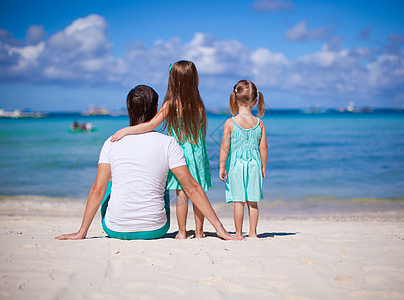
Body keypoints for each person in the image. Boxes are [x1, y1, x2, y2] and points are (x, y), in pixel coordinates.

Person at [55, 85, 233, 241]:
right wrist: (220, 228)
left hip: (115, 229)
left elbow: (97, 191)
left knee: (109, 180)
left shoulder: (111, 142)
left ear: (128, 110)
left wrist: (81, 232)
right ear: (156, 109)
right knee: (162, 180)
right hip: (155, 229)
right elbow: (192, 188)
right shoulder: (169, 142)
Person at [111, 61, 212, 239]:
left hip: (178, 153)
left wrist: (127, 130)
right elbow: (202, 132)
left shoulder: (170, 104)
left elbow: (150, 125)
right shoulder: (199, 104)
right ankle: (199, 232)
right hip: (198, 152)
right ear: (194, 80)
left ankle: (181, 232)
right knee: (197, 192)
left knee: (181, 194)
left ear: (173, 80)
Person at [219, 80, 268, 239]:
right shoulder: (259, 123)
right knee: (253, 202)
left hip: (236, 166)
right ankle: (253, 233)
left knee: (238, 201)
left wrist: (221, 166)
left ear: (235, 99)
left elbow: (225, 147)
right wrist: (263, 166)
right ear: (255, 101)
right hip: (254, 164)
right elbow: (264, 148)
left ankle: (239, 233)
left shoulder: (230, 123)